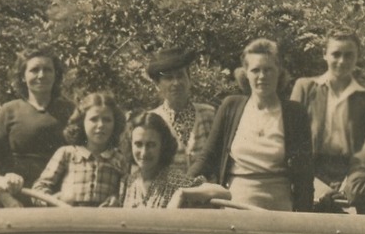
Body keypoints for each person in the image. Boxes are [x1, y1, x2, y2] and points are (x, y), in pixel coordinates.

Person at [189, 39, 315, 211]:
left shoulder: (295, 113)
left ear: (279, 72)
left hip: (279, 209)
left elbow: (305, 177)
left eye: (268, 70)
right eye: (255, 70)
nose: (262, 76)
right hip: (234, 204)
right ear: (245, 73)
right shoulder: (230, 106)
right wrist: (181, 187)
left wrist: (303, 219)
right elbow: (207, 157)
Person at [290, 31, 365, 190]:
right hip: (311, 169)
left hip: (352, 170)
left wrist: (355, 175)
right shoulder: (305, 88)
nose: (342, 61)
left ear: (357, 57)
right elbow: (291, 134)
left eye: (349, 55)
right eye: (336, 54)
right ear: (325, 54)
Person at [0, 47, 73, 189]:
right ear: (22, 77)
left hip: (59, 195)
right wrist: (7, 198)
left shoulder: (70, 111)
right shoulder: (9, 110)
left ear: (56, 74)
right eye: (34, 70)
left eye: (48, 69)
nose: (41, 75)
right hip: (16, 193)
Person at [33, 93, 127, 207]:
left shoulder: (119, 159)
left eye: (107, 120)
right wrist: (53, 200)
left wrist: (117, 199)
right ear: (81, 122)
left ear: (115, 123)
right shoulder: (68, 153)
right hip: (70, 220)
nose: (101, 125)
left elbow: (127, 192)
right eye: (93, 119)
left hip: (105, 221)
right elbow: (39, 187)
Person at [144, 45, 216, 175]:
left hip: (207, 192)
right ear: (157, 85)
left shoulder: (208, 115)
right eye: (169, 78)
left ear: (189, 79)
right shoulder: (151, 121)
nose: (176, 83)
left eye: (180, 76)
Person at [119, 112, 190, 209]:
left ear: (163, 145)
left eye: (151, 145)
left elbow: (216, 190)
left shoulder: (175, 180)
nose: (144, 152)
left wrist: (182, 193)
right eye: (138, 144)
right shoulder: (127, 183)